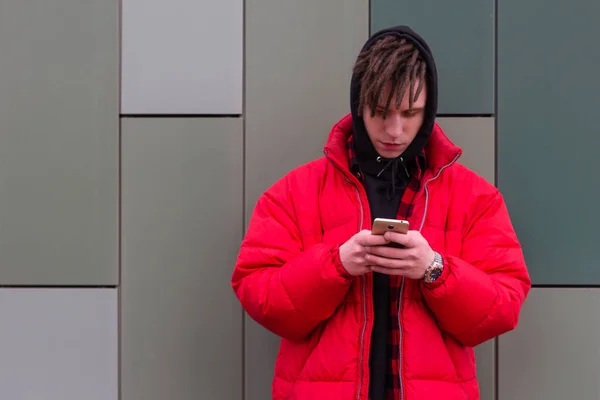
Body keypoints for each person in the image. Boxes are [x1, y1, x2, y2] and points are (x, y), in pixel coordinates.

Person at [231, 25, 531, 400]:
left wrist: (434, 269)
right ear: (359, 105)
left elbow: (503, 307)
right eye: (381, 112)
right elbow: (258, 294)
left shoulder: (475, 198)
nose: (395, 129)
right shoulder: (292, 193)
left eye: (410, 112)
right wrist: (336, 265)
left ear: (429, 109)